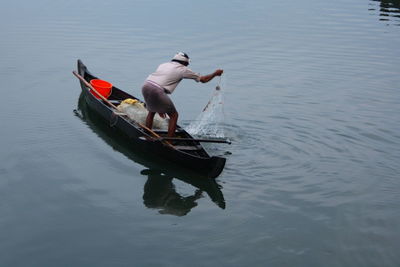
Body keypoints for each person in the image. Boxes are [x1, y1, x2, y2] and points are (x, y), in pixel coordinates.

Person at [142, 52, 223, 137]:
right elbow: (203, 79)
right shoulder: (183, 69)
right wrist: (215, 74)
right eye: (187, 64)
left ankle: (146, 134)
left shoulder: (163, 64)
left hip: (146, 86)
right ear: (184, 63)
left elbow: (158, 82)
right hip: (157, 90)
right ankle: (170, 141)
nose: (187, 66)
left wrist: (159, 108)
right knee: (174, 115)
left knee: (151, 111)